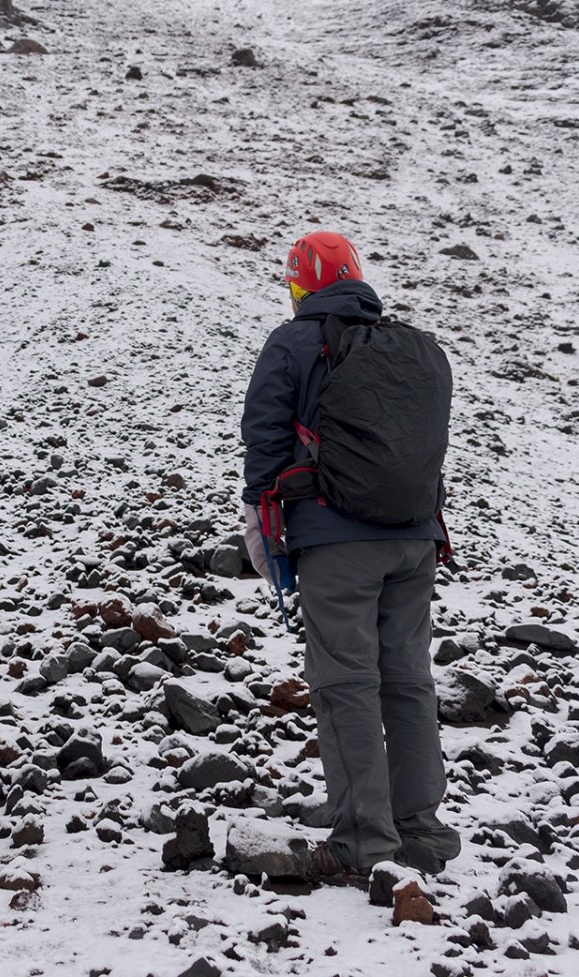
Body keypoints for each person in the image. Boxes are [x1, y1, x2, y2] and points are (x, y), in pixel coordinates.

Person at [239, 229, 461, 884]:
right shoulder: (415, 348)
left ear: (299, 285)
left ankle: (365, 838)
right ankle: (420, 824)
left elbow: (264, 442)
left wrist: (262, 526)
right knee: (409, 680)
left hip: (337, 541)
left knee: (347, 686)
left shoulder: (292, 343)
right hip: (417, 536)